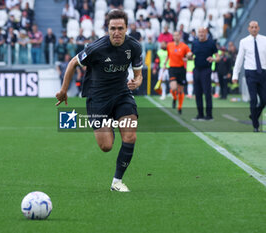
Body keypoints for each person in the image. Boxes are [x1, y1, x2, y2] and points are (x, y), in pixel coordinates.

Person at [55, 9, 143, 192]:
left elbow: (139, 74)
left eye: (120, 28)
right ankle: (108, 122)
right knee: (106, 146)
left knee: (130, 135)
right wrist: (64, 90)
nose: (116, 32)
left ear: (127, 28)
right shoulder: (96, 48)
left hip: (122, 95)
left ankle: (117, 181)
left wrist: (137, 82)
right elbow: (72, 63)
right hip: (98, 99)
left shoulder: (134, 47)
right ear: (107, 29)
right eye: (113, 28)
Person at [232, 21, 266, 132]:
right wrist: (235, 75)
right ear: (248, 29)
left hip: (263, 73)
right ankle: (255, 126)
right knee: (253, 99)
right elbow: (239, 59)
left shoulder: (264, 40)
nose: (254, 29)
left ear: (258, 28)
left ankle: (254, 115)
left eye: (256, 27)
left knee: (264, 99)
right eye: (252, 27)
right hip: (250, 73)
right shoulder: (244, 42)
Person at [191, 27, 219, 120]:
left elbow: (218, 57)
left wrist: (213, 59)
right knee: (197, 93)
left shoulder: (211, 43)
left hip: (206, 70)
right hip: (196, 70)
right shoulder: (194, 43)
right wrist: (189, 57)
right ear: (197, 33)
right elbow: (191, 56)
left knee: (207, 93)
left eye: (203, 32)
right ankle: (200, 114)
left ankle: (209, 115)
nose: (201, 34)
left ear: (206, 32)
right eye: (199, 32)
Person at [163, 31, 192, 114]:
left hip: (181, 69)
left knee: (180, 90)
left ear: (180, 36)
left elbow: (189, 55)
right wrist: (165, 63)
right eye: (174, 35)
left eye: (177, 35)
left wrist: (189, 56)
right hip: (172, 68)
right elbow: (168, 55)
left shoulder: (184, 46)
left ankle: (179, 107)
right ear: (173, 37)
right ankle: (174, 98)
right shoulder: (169, 45)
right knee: (173, 88)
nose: (176, 37)